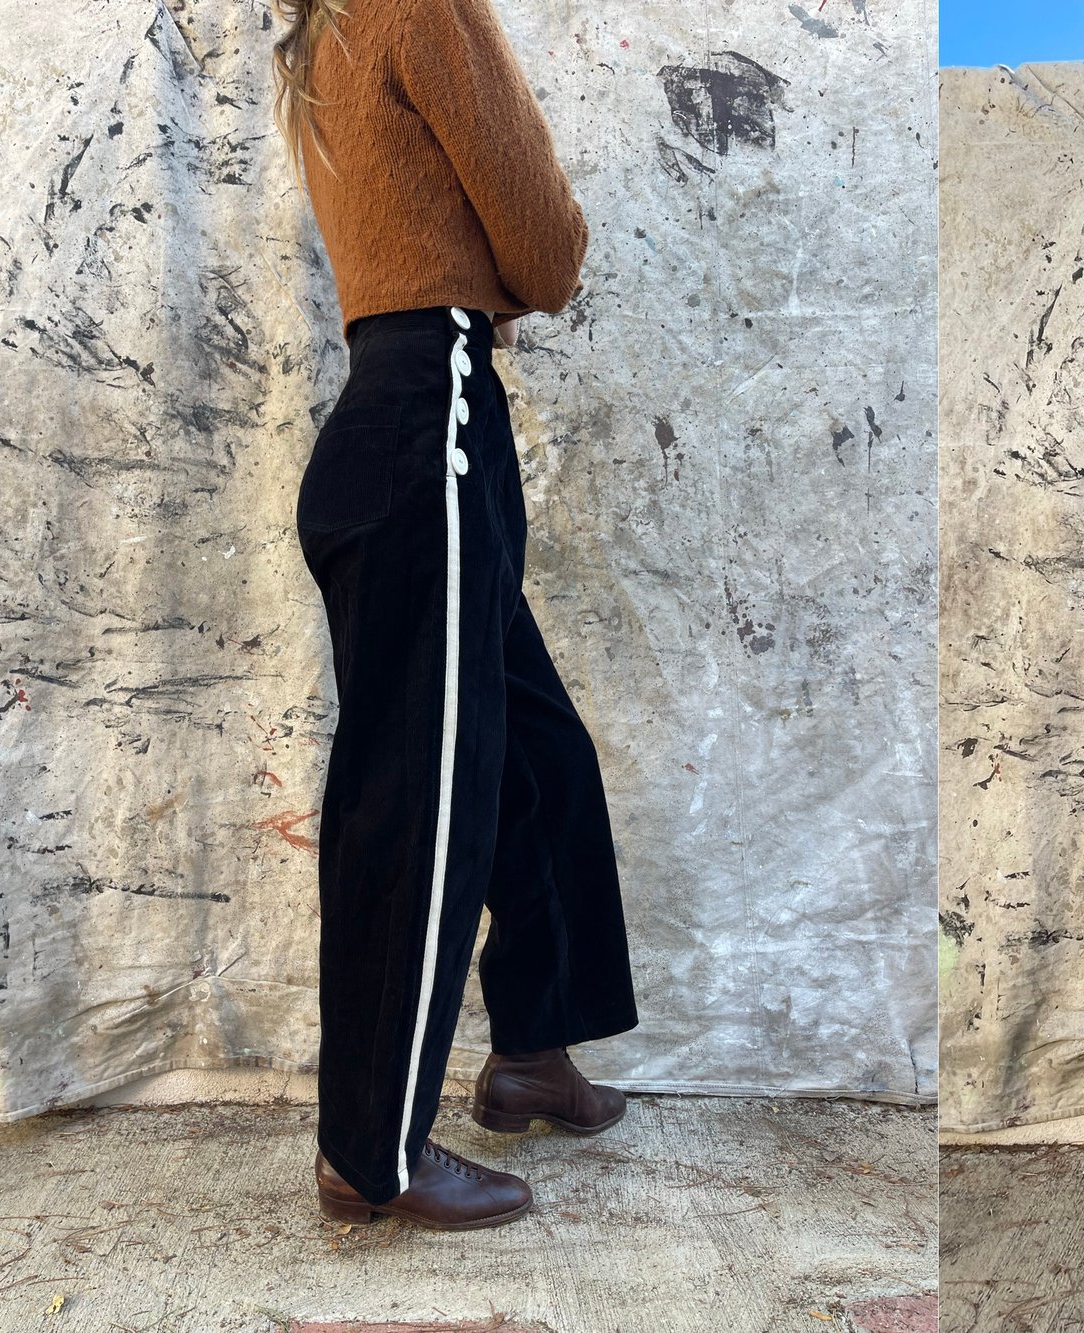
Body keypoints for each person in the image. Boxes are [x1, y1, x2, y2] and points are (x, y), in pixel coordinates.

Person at [271, 0, 638, 1230]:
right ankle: (368, 1150)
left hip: (411, 428)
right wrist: (528, 251)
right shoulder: (421, 4)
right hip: (432, 425)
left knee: (537, 756)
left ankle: (531, 1049)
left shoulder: (328, 31)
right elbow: (548, 252)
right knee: (420, 799)